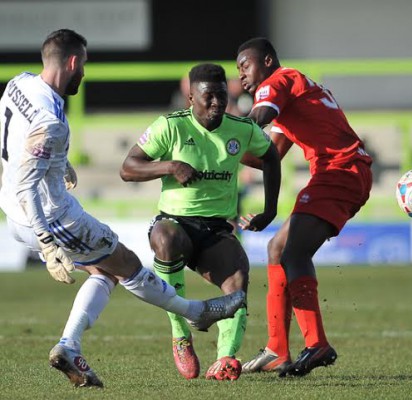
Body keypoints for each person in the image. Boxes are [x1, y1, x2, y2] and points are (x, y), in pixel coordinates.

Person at [0, 29, 245, 388]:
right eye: (82, 65)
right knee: (127, 263)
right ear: (71, 62)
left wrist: (58, 163)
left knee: (103, 272)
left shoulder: (18, 85)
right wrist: (47, 241)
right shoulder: (49, 118)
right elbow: (28, 181)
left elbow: (15, 139)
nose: (83, 73)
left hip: (12, 213)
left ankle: (70, 346)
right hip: (50, 216)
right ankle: (197, 313)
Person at [120, 63, 281, 381]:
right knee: (164, 238)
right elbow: (128, 168)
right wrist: (169, 166)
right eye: (209, 97)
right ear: (190, 97)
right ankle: (180, 335)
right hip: (176, 224)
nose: (217, 103)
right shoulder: (170, 126)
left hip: (216, 230)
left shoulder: (241, 129)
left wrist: (270, 209)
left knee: (237, 282)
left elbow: (271, 157)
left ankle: (225, 360)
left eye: (222, 96)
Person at [236, 38, 373, 377]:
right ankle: (277, 349)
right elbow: (269, 155)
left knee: (293, 253)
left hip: (339, 170)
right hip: (341, 172)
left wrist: (219, 133)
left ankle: (317, 344)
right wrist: (226, 151)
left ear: (267, 61)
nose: (241, 76)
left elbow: (258, 119)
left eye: (245, 66)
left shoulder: (279, 82)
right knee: (277, 248)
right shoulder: (293, 93)